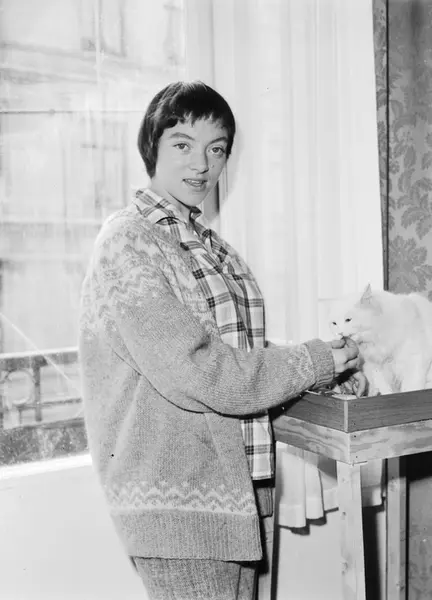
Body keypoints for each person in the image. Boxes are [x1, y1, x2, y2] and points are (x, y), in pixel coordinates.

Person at [78, 80, 362, 600]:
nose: (202, 164)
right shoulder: (127, 242)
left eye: (217, 149)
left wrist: (332, 369)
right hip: (180, 499)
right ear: (152, 146)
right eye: (182, 144)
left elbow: (240, 355)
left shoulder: (215, 249)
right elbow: (201, 371)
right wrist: (314, 360)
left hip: (243, 487)